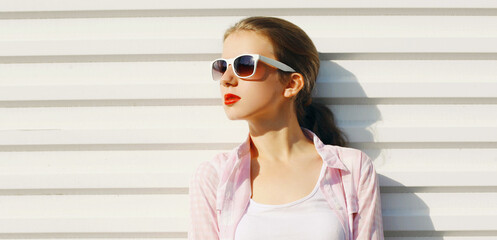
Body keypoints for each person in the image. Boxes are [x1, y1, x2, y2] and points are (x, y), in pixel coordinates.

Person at [189, 16, 383, 240]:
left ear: (291, 84)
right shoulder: (214, 175)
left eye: (245, 65)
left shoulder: (351, 169)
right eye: (222, 67)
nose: (227, 79)